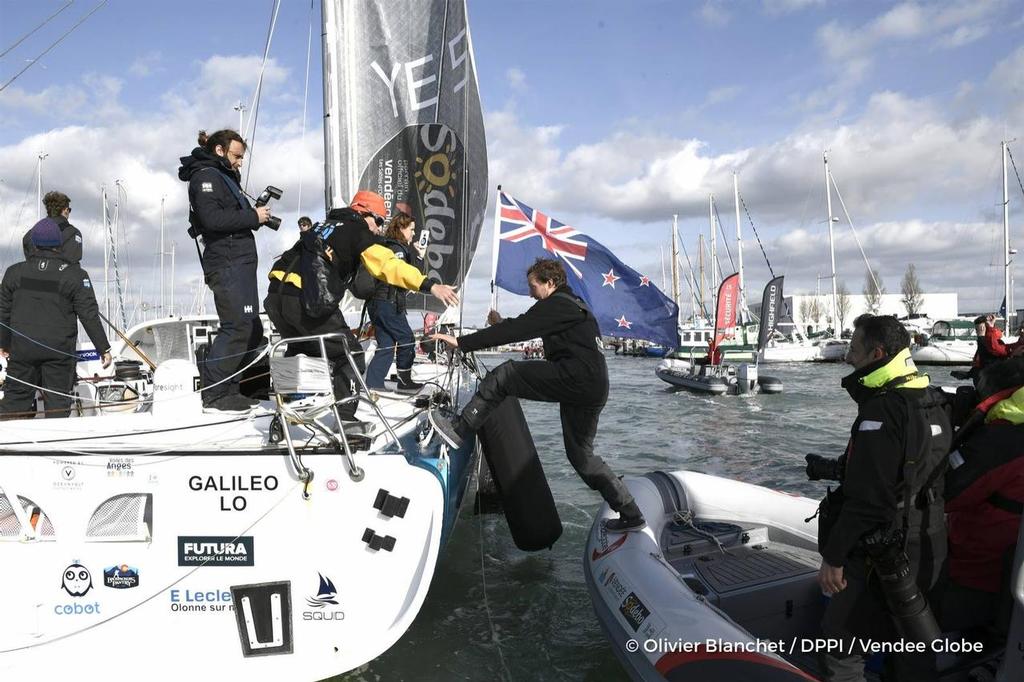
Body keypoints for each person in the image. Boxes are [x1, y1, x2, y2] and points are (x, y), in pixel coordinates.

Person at [427, 258, 645, 532]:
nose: (530, 292)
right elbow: (525, 325)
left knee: (506, 375)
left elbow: (520, 329)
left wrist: (462, 342)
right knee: (582, 458)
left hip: (576, 378)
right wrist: (501, 323)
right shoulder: (572, 305)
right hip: (594, 386)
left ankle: (459, 429)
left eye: (533, 286)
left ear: (550, 283)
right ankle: (630, 512)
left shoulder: (559, 305)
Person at [809, 314, 950, 681]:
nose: (848, 357)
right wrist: (837, 468)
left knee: (840, 642)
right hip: (928, 543)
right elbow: (910, 470)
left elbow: (871, 499)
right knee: (904, 642)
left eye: (854, 350)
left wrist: (834, 557)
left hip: (883, 550)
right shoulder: (932, 399)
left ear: (877, 353)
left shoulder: (883, 410)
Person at [264, 190, 458, 420]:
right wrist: (430, 285)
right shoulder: (358, 232)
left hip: (275, 298)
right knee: (351, 353)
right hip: (305, 301)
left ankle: (287, 412)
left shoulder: (321, 225)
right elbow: (389, 265)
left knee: (299, 347)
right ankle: (346, 421)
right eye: (378, 220)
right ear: (364, 213)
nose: (378, 228)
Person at [178, 129, 272, 414]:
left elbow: (225, 216)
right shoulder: (206, 177)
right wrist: (253, 216)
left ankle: (230, 390)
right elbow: (211, 219)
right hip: (227, 261)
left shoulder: (222, 176)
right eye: (236, 156)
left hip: (238, 260)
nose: (240, 162)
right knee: (238, 325)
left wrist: (249, 214)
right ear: (220, 150)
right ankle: (215, 395)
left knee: (251, 327)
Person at [940, 356, 1024, 636]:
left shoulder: (1003, 440)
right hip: (1011, 570)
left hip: (979, 575)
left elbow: (946, 491)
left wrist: (961, 432)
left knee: (901, 614)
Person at [0, 218, 112, 418]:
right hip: (58, 353)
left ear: (33, 243)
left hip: (22, 351)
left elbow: (3, 312)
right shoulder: (76, 275)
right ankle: (54, 446)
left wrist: (4, 343)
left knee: (14, 403)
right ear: (59, 244)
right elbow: (89, 314)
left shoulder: (13, 273)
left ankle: (8, 445)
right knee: (57, 404)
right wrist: (103, 348)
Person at [364, 212, 428, 393]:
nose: (414, 234)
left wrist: (419, 256)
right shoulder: (398, 250)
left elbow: (410, 275)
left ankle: (373, 384)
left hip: (376, 303)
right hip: (388, 303)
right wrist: (420, 257)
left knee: (387, 344)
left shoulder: (386, 246)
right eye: (412, 229)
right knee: (406, 339)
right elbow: (407, 277)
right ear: (401, 228)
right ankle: (404, 382)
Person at [22, 191, 83, 263]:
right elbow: (72, 260)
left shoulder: (30, 234)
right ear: (66, 210)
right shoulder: (73, 233)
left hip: (33, 272)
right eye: (69, 210)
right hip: (61, 273)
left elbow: (29, 258)